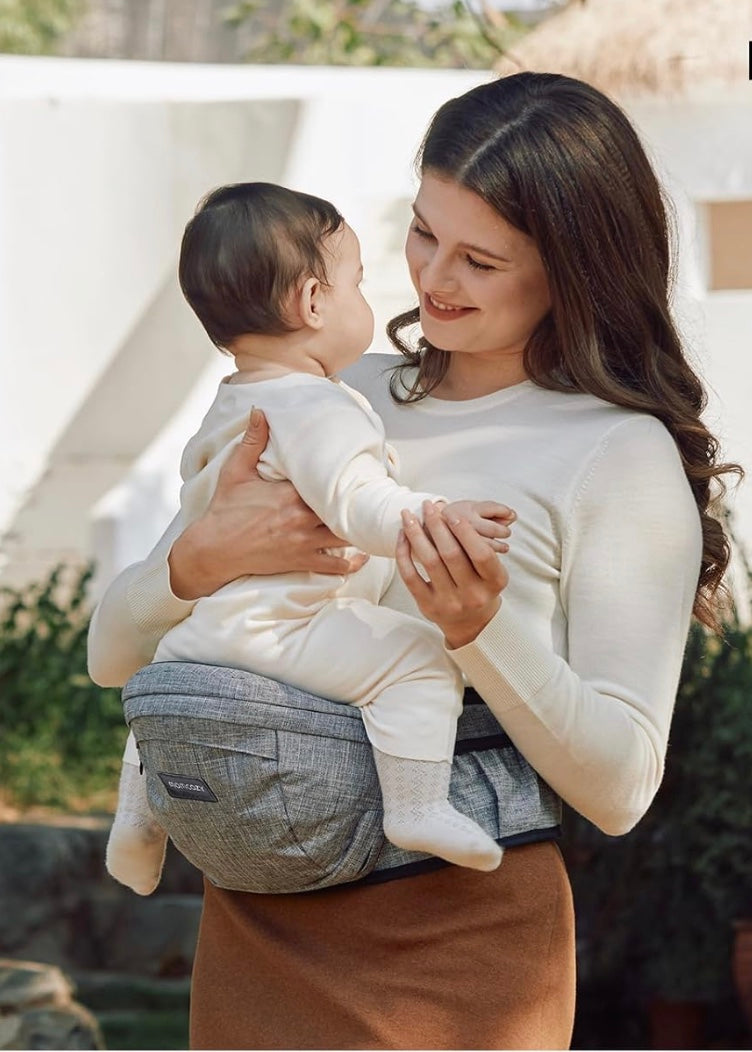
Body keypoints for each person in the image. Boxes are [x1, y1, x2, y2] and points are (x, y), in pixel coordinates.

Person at [88, 72, 741, 1050]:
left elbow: (617, 789)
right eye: (423, 232)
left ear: (571, 268)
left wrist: (478, 631)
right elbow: (113, 656)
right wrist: (192, 562)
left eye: (479, 259)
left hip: (457, 945)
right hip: (257, 923)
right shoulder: (321, 393)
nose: (433, 277)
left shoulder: (617, 453)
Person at [106, 181, 516, 896]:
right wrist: (440, 517)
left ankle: (137, 828)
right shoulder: (320, 407)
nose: (365, 297)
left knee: (165, 699)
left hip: (203, 630)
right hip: (286, 631)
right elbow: (360, 504)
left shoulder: (231, 404)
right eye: (356, 282)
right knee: (419, 659)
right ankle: (417, 807)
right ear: (314, 302)